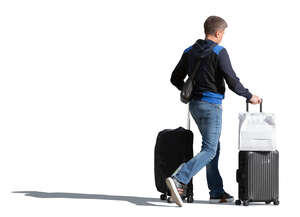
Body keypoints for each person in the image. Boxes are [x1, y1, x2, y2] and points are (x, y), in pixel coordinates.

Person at [165, 15, 262, 207]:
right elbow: (232, 80)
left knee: (213, 147)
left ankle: (216, 191)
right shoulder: (219, 51)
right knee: (210, 149)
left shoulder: (189, 51)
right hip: (211, 107)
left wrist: (189, 90)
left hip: (194, 106)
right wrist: (248, 95)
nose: (223, 36)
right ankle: (179, 179)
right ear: (218, 33)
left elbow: (175, 78)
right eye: (223, 33)